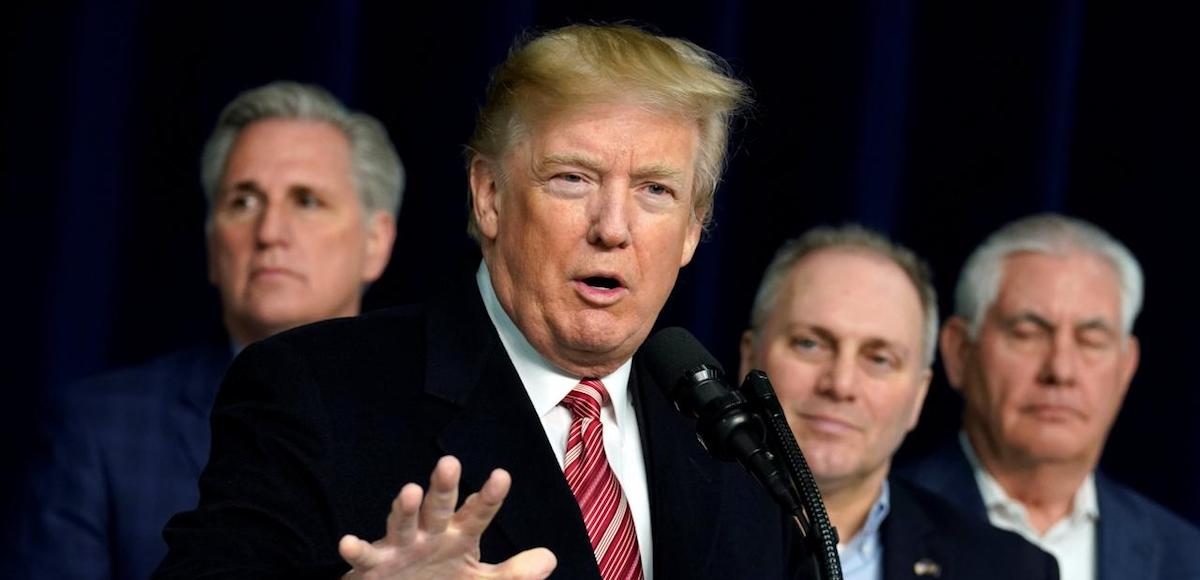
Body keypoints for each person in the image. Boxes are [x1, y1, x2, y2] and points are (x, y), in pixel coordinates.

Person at [155, 24, 801, 580]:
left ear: (693, 228)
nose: (613, 226)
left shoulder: (733, 447)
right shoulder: (313, 390)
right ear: (489, 195)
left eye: (655, 190)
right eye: (573, 179)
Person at [10, 81, 403, 580]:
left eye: (306, 201)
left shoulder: (441, 430)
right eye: (243, 201)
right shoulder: (98, 432)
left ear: (376, 242)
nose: (269, 233)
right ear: (213, 244)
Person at [739, 225, 1059, 580]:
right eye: (810, 344)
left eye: (879, 359)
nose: (841, 384)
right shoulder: (670, 529)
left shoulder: (1009, 569)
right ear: (750, 356)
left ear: (919, 395)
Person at [901, 214, 1200, 580]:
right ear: (960, 352)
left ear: (1126, 368)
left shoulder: (1184, 557)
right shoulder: (876, 526)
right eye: (1027, 334)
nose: (1061, 370)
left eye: (1091, 340)